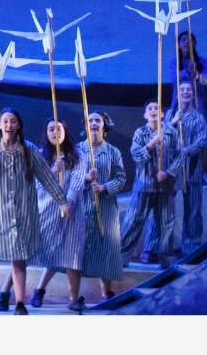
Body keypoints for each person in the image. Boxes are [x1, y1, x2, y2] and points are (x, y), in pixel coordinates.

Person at [0, 108, 69, 315]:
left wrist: (62, 201)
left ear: (18, 125)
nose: (9, 125)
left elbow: (46, 177)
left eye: (13, 121)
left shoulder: (29, 150)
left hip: (22, 214)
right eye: (5, 121)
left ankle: (19, 303)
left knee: (19, 258)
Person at [67, 111, 127, 310]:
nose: (93, 123)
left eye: (97, 120)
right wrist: (85, 178)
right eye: (90, 120)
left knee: (106, 248)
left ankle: (106, 292)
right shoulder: (77, 151)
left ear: (104, 125)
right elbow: (69, 176)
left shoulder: (113, 152)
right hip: (82, 204)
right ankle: (73, 296)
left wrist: (103, 187)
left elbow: (120, 178)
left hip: (106, 207)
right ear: (86, 125)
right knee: (76, 250)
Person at [28, 118, 82, 308]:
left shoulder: (77, 155)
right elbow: (35, 184)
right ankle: (12, 291)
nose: (55, 132)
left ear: (65, 131)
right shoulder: (40, 155)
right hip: (47, 210)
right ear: (46, 133)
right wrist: (51, 171)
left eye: (58, 129)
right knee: (34, 252)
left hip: (72, 211)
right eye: (51, 129)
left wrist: (69, 201)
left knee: (72, 255)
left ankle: (74, 299)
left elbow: (77, 179)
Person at [120, 100, 178, 268]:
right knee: (133, 221)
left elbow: (179, 156)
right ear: (145, 115)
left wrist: (168, 172)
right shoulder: (140, 133)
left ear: (162, 114)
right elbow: (135, 154)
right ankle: (120, 259)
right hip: (144, 185)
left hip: (165, 186)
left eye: (157, 108)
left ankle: (166, 261)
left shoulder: (171, 132)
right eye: (150, 108)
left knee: (166, 224)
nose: (153, 110)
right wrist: (151, 144)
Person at [169, 81, 207, 252]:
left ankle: (191, 244)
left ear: (193, 95)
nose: (185, 92)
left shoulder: (198, 118)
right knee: (164, 208)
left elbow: (201, 142)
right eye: (182, 90)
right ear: (177, 94)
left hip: (192, 168)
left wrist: (186, 151)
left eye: (188, 90)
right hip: (172, 169)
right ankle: (159, 247)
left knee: (193, 208)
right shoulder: (171, 114)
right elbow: (161, 135)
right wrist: (173, 122)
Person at [171, 30, 207, 115]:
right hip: (180, 100)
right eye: (184, 40)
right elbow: (174, 77)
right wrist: (187, 71)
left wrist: (197, 76)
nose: (187, 42)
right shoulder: (174, 61)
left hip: (198, 99)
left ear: (194, 44)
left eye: (190, 40)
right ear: (178, 45)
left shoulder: (201, 60)